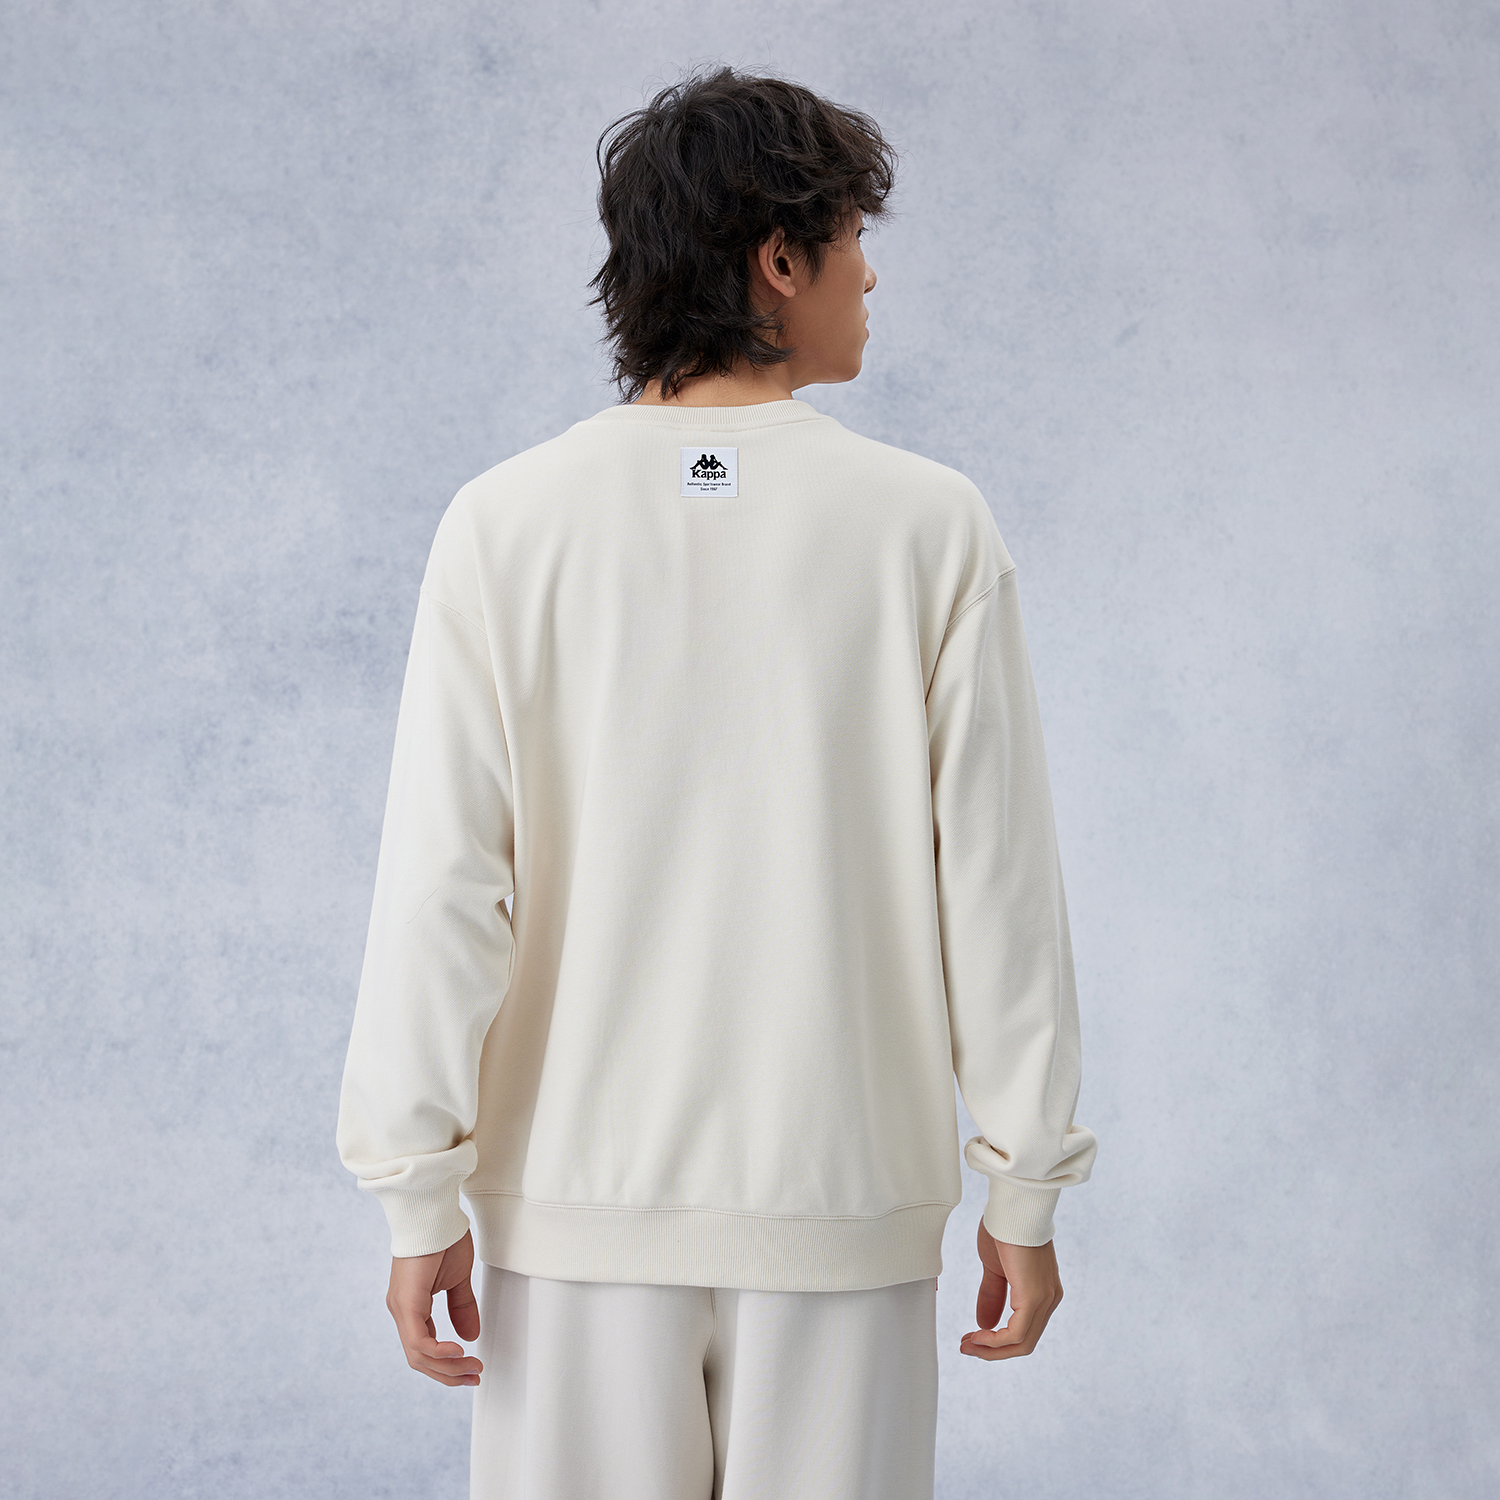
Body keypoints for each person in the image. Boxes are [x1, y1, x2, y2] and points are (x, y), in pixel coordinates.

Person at [335, 63, 1099, 1500]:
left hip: (570, 1215)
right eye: (854, 238)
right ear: (779, 259)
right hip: (844, 1205)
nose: (871, 274)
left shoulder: (504, 527)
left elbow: (444, 888)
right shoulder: (927, 527)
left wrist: (415, 1193)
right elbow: (997, 893)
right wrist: (1026, 1181)